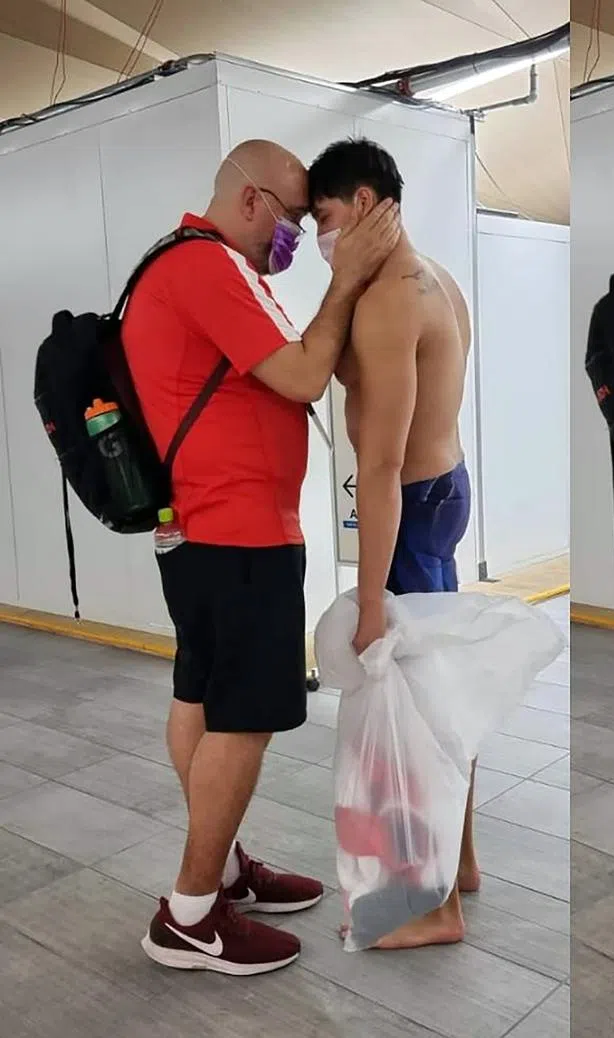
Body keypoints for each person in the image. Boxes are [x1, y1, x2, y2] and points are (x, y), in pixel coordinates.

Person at [122, 138, 402, 976]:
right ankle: (190, 915)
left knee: (201, 699)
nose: (300, 236)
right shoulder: (205, 267)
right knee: (241, 717)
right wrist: (349, 279)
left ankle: (224, 870)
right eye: (296, 218)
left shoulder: (201, 266)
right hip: (235, 533)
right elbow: (304, 375)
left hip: (206, 531)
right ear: (252, 202)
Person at [308, 137, 474, 950]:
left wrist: (371, 603)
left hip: (410, 501)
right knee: (437, 695)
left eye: (325, 216)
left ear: (366, 204)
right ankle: (459, 863)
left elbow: (378, 465)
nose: (319, 236)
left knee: (410, 712)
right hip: (444, 492)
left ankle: (431, 908)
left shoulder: (390, 301)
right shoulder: (432, 276)